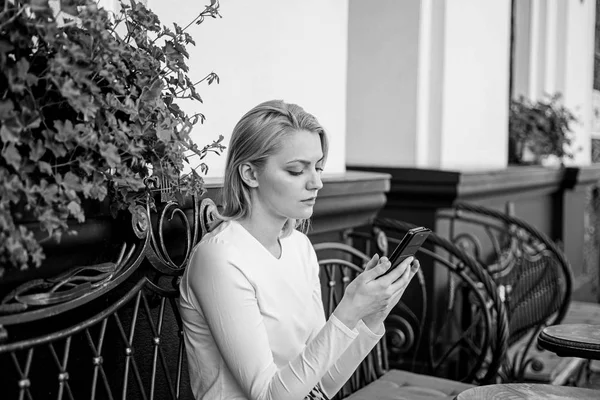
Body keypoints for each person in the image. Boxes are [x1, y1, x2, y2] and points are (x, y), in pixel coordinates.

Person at [179, 100, 420, 400]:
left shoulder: (299, 247)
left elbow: (322, 384)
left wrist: (373, 313)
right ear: (250, 174)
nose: (316, 183)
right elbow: (269, 396)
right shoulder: (220, 258)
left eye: (318, 168)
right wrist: (348, 311)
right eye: (296, 171)